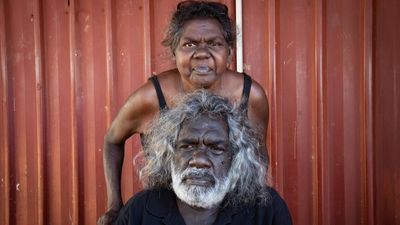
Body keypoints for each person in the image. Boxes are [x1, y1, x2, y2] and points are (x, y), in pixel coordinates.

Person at [98, 1, 269, 224]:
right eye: (189, 45)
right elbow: (112, 140)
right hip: (165, 213)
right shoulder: (150, 97)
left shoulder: (249, 96)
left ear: (229, 52)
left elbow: (257, 157)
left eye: (214, 44)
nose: (201, 54)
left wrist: (264, 211)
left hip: (229, 210)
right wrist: (114, 204)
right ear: (174, 52)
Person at [112, 90, 291, 225]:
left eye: (216, 148)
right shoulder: (139, 212)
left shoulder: (266, 210)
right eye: (187, 146)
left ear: (235, 157)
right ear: (170, 153)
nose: (199, 160)